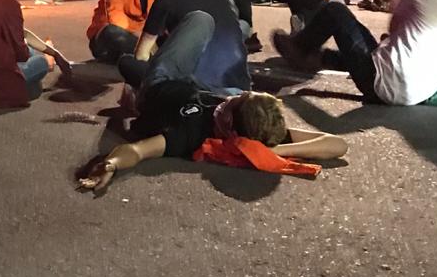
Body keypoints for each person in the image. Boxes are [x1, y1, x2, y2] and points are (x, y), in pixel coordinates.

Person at [76, 74, 346, 192]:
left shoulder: (192, 132)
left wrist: (108, 163)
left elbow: (137, 150)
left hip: (156, 85)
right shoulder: (257, 126)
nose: (236, 97)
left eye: (239, 99)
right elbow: (337, 145)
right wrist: (272, 150)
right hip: (193, 82)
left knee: (131, 63)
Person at [272, 0, 437, 105]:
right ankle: (318, 58)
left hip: (380, 83)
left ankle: (299, 49)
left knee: (336, 11)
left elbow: (393, 27)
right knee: (378, 49)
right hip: (417, 95)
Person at [118, 0, 250, 94]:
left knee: (127, 63)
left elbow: (141, 54)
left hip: (194, 91)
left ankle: (141, 99)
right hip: (239, 88)